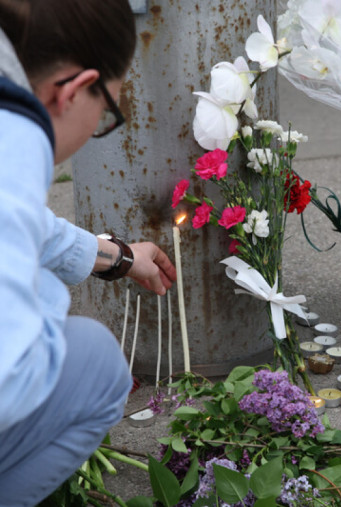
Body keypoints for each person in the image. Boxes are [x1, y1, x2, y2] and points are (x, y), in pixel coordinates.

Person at [0, 0, 177, 504]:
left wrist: (116, 256)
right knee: (99, 364)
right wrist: (44, 303)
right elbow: (8, 379)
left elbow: (17, 220)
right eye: (107, 114)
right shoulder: (15, 132)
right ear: (75, 90)